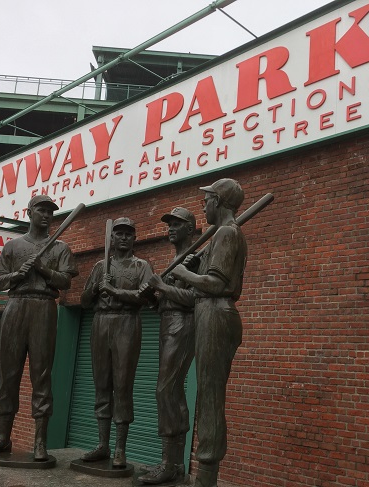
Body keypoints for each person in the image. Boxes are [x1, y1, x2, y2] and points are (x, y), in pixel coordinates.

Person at [0, 194, 78, 461]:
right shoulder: (13, 245)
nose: (46, 215)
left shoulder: (60, 247)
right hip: (15, 306)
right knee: (8, 375)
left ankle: (40, 442)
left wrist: (42, 269)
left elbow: (65, 283)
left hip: (44, 307)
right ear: (29, 212)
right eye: (41, 210)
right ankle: (2, 439)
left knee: (41, 375)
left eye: (50, 211)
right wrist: (17, 275)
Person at [170, 179, 247, 487]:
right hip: (209, 311)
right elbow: (211, 276)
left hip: (216, 311)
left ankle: (206, 477)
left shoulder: (228, 232)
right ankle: (207, 473)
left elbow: (217, 285)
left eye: (207, 200)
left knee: (211, 397)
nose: (203, 205)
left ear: (219, 202)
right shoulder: (220, 236)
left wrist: (183, 272)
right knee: (208, 393)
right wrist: (198, 263)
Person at [79, 217, 154, 468]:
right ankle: (102, 444)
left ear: (134, 238)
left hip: (127, 323)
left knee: (122, 386)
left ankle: (120, 448)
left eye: (128, 234)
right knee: (101, 385)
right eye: (119, 233)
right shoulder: (101, 266)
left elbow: (146, 297)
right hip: (101, 323)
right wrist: (96, 289)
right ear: (112, 238)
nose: (123, 237)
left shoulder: (142, 265)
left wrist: (114, 292)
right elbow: (84, 301)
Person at [139, 207, 197, 484]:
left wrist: (162, 286)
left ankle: (171, 463)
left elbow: (194, 298)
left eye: (177, 224)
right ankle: (171, 461)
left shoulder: (197, 257)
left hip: (183, 324)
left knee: (166, 389)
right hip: (167, 322)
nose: (170, 228)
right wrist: (152, 297)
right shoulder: (175, 259)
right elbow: (165, 300)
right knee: (168, 391)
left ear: (190, 229)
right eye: (169, 224)